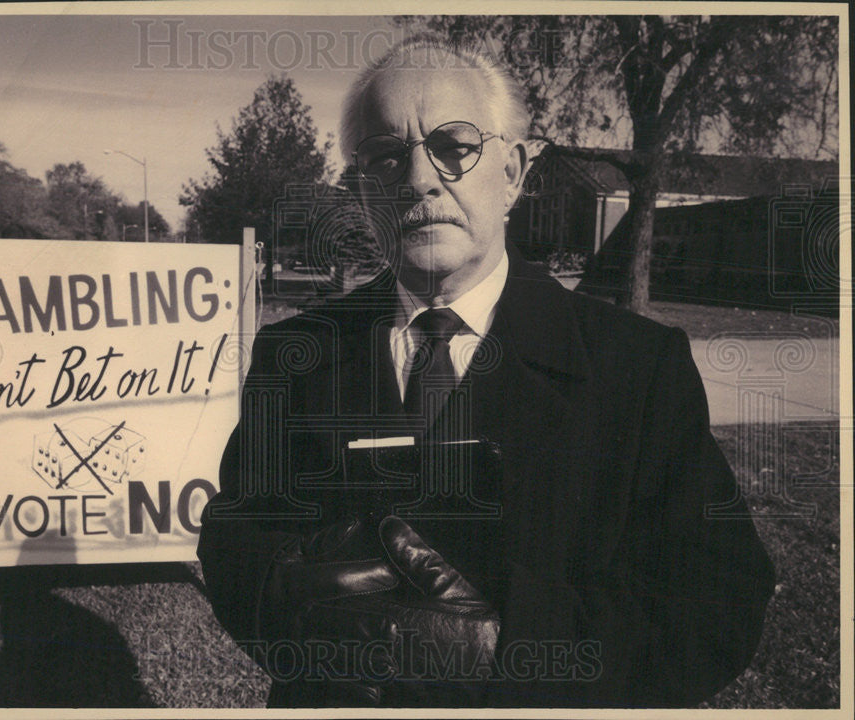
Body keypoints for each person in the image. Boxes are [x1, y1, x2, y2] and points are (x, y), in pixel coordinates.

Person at [198, 36, 775, 708]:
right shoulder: (294, 355)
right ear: (360, 191)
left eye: (454, 146)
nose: (418, 179)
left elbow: (717, 602)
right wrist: (281, 603)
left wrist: (509, 648)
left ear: (513, 172)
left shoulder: (637, 369)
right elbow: (236, 535)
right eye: (386, 157)